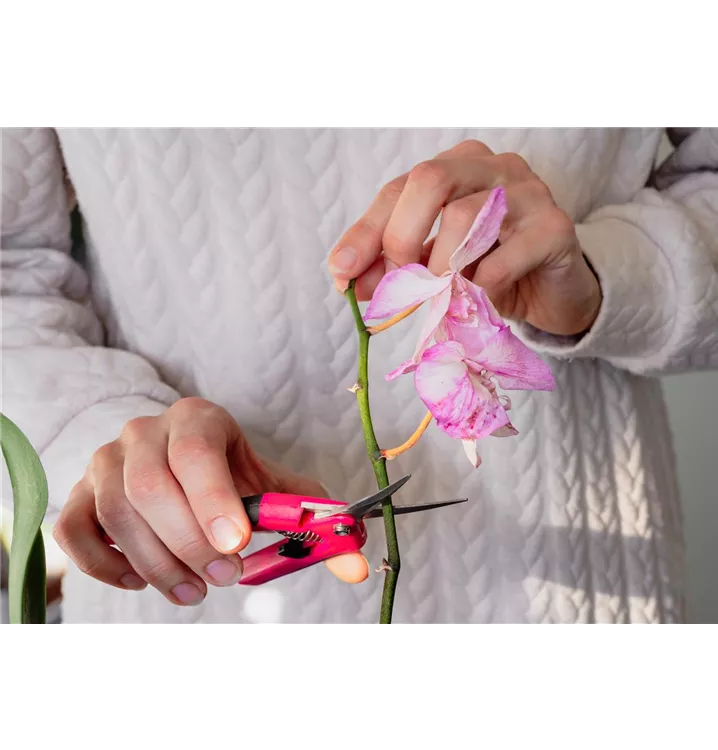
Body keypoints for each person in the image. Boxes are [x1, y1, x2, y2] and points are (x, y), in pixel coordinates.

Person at [1, 120, 716, 624]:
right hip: (189, 597)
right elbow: (12, 272)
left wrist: (610, 279)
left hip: (582, 589)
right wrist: (101, 433)